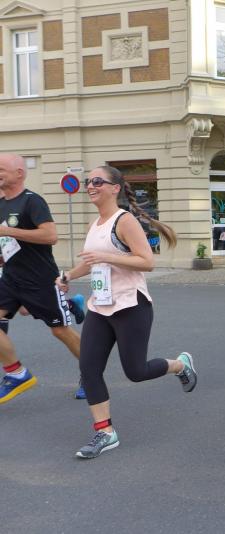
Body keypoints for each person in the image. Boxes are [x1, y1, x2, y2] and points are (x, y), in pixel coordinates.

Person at [56, 166, 197, 459]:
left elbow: (147, 262)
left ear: (115, 188)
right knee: (89, 368)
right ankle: (105, 432)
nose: (91, 186)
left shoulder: (125, 220)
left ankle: (180, 365)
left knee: (136, 372)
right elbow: (91, 262)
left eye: (98, 181)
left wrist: (107, 256)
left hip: (130, 305)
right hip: (100, 306)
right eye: (88, 181)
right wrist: (68, 275)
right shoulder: (95, 224)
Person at [0, 153, 84, 404]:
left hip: (40, 280)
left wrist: (7, 230)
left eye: (1, 169)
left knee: (59, 330)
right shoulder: (1, 204)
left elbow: (50, 236)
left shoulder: (32, 201)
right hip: (11, 278)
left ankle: (91, 374)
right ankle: (16, 373)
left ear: (19, 173)